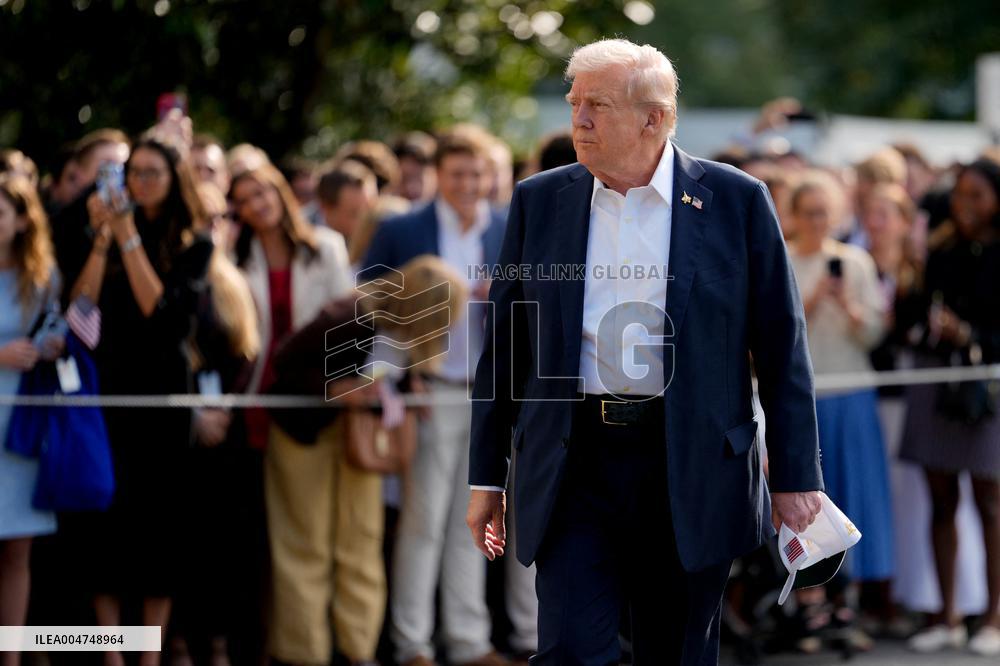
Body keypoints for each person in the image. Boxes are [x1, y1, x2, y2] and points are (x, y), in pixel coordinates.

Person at [466, 39, 824, 665]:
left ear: (653, 118)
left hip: (690, 464)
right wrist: (485, 475)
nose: (577, 120)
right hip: (572, 461)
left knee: (676, 652)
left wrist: (796, 479)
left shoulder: (736, 201)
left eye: (596, 106)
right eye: (575, 103)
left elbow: (781, 346)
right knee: (572, 651)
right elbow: (504, 346)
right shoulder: (540, 199)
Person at [362, 126, 508, 666]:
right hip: (430, 391)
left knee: (476, 521)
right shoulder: (404, 230)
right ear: (438, 175)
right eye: (457, 174)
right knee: (422, 522)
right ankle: (412, 642)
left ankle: (469, 642)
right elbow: (374, 306)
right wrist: (399, 376)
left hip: (491, 395)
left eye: (477, 174)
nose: (468, 184)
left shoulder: (508, 228)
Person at [73, 136, 214, 666]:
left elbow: (164, 316)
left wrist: (129, 234)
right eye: (134, 173)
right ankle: (111, 653)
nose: (141, 183)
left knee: (160, 530)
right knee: (107, 526)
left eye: (154, 173)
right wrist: (105, 239)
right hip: (108, 393)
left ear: (175, 181)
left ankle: (149, 654)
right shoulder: (105, 231)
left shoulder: (194, 244)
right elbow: (80, 314)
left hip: (163, 401)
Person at [230, 162, 377, 666]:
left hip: (338, 400)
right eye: (244, 197)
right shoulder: (236, 256)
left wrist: (346, 385)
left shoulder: (326, 247)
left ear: (279, 191)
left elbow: (350, 323)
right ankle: (303, 653)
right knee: (300, 540)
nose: (257, 203)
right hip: (273, 402)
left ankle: (357, 650)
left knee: (356, 537)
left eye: (262, 191)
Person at [787, 172, 893, 643]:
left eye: (823, 211)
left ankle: (849, 603)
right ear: (795, 216)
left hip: (851, 394)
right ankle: (810, 603)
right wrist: (810, 302)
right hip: (805, 398)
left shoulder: (856, 262)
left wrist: (849, 305)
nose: (817, 221)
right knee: (806, 504)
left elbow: (872, 334)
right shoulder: (784, 259)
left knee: (854, 495)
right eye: (808, 212)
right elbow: (777, 335)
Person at [900, 159, 1000, 657]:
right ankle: (947, 614)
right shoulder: (940, 250)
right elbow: (911, 315)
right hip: (939, 385)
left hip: (985, 393)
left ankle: (995, 619)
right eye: (960, 195)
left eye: (977, 195)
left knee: (990, 504)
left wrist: (973, 336)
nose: (965, 205)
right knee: (941, 501)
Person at [0, 175, 63, 666]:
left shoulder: (42, 277)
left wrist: (49, 345)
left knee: (18, 550)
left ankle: (13, 656)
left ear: (21, 220)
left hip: (21, 426)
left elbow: (58, 325)